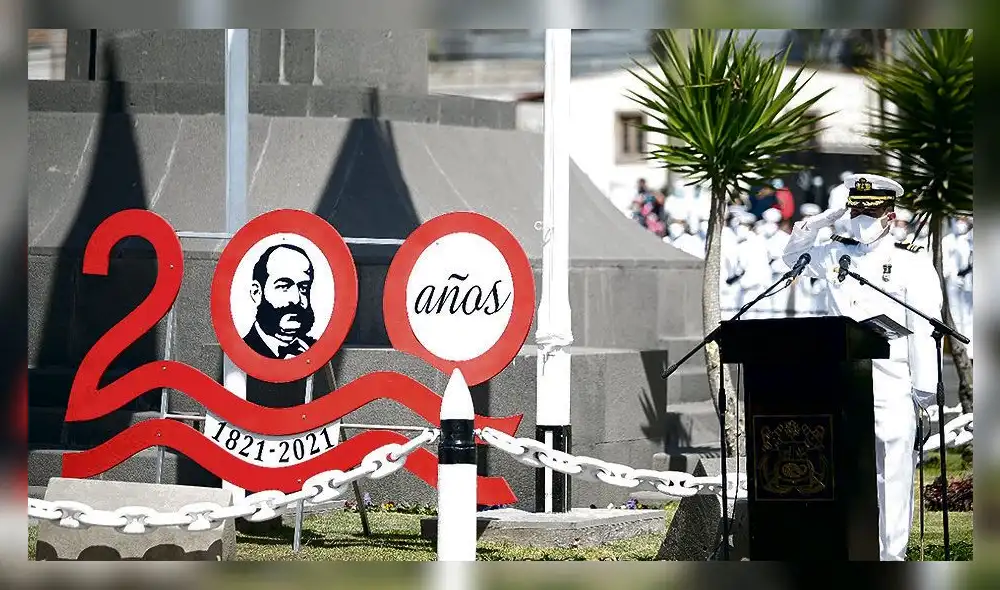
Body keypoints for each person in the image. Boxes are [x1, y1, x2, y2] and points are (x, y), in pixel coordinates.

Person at [782, 173, 942, 561]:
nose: (861, 220)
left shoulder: (910, 260)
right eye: (856, 212)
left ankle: (891, 558)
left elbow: (923, 328)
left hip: (891, 381)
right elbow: (790, 258)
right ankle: (848, 553)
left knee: (892, 473)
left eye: (870, 213)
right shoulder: (834, 252)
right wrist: (818, 222)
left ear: (890, 215)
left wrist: (924, 389)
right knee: (840, 470)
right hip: (840, 380)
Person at [243, 243, 317, 359]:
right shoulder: (245, 348)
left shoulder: (315, 348)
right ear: (257, 293)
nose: (296, 299)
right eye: (284, 286)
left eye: (303, 288)